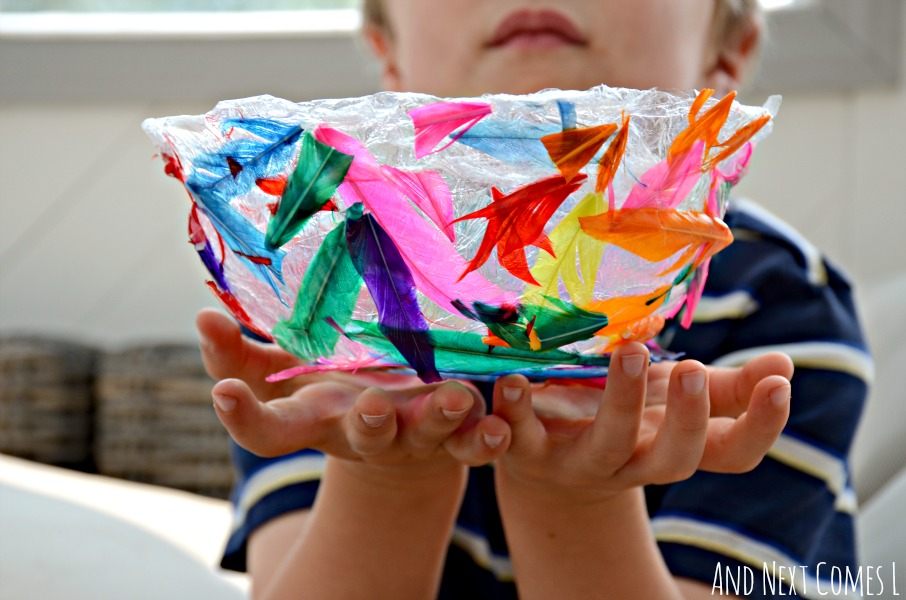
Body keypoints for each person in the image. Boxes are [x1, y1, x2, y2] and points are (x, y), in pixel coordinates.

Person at [197, 1, 870, 598]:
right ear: (388, 53)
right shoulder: (318, 306)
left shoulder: (782, 309)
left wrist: (577, 500)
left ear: (728, 52)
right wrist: (387, 478)